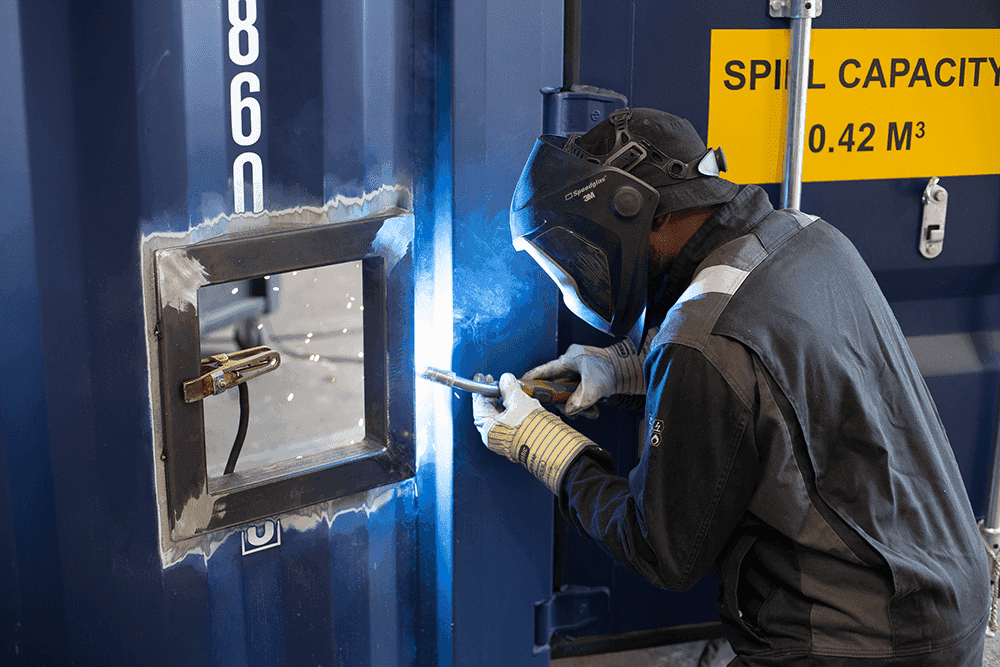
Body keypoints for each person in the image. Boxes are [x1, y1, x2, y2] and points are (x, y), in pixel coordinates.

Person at [471, 108, 990, 666]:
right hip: (946, 595)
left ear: (632, 211)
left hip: (860, 640)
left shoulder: (702, 338)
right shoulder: (806, 236)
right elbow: (779, 378)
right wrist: (625, 371)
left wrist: (547, 449)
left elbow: (662, 549)